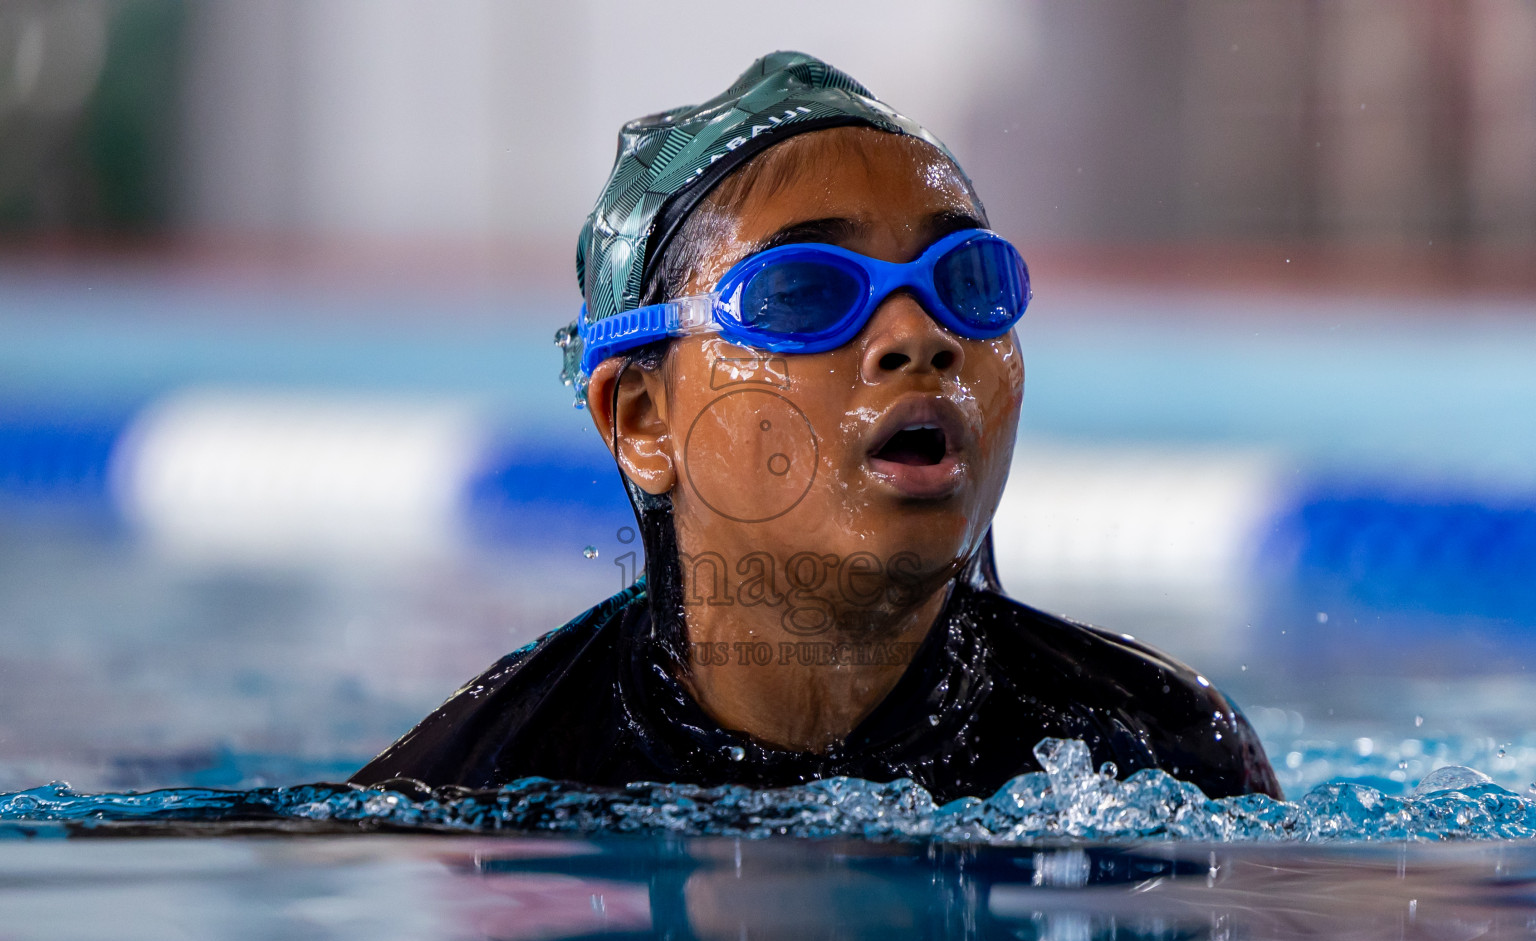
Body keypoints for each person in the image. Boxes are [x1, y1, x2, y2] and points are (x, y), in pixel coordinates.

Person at [352, 52, 1281, 802]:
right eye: (803, 293)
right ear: (642, 419)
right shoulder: (471, 790)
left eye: (966, 282)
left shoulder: (1161, 751)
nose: (919, 336)